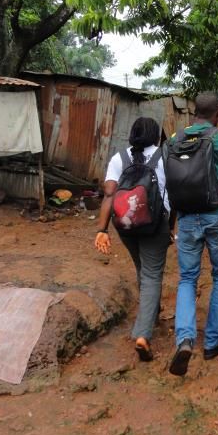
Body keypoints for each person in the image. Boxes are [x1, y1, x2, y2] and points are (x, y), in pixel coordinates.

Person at [168, 92, 218, 376]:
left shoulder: (175, 137)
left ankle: (184, 339)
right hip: (215, 215)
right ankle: (212, 341)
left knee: (187, 278)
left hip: (186, 217)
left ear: (194, 112)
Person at [94, 117, 173, 362]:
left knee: (143, 268)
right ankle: (142, 334)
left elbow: (109, 193)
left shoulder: (119, 159)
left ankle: (153, 312)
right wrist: (172, 225)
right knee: (151, 274)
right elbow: (175, 193)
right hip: (155, 225)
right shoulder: (164, 156)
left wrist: (102, 229)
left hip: (125, 225)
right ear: (155, 135)